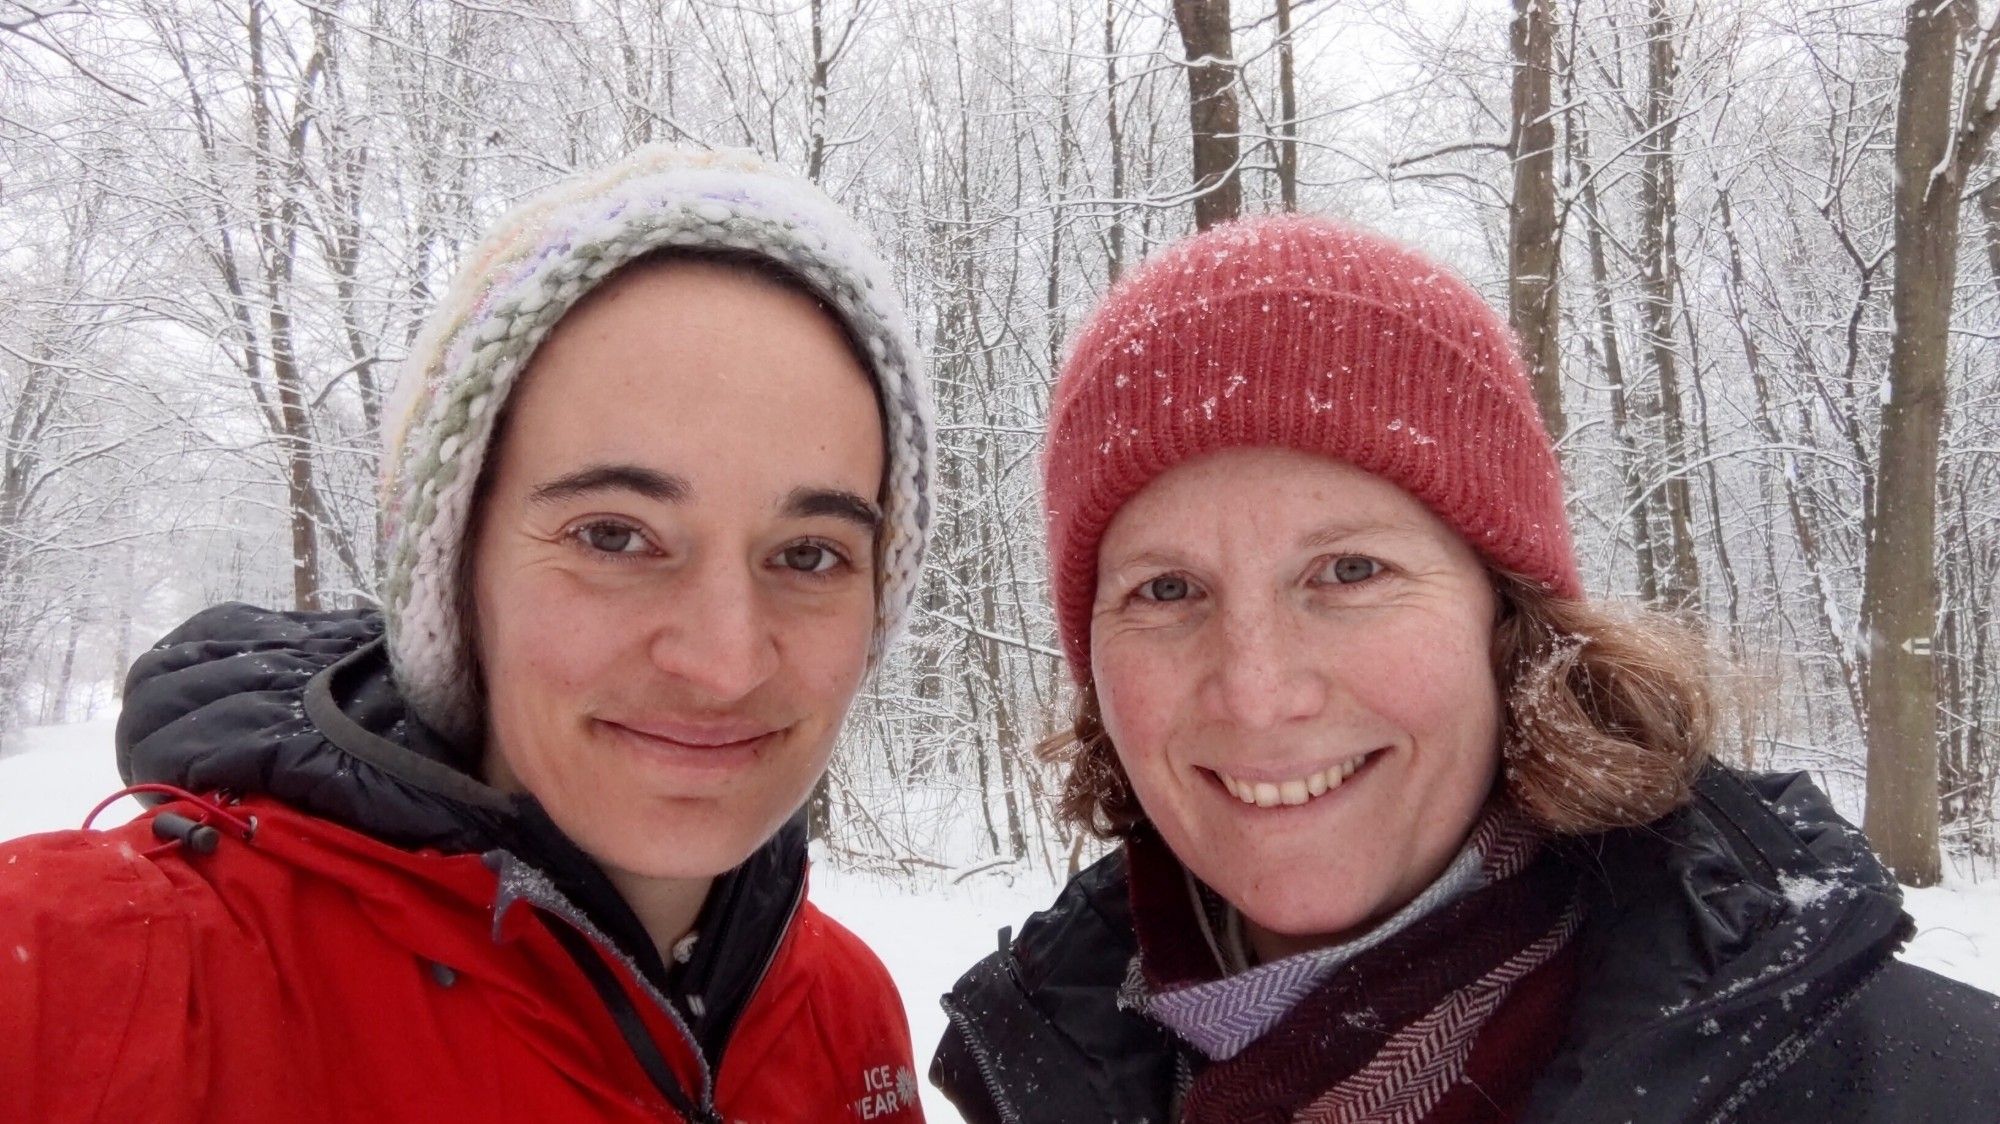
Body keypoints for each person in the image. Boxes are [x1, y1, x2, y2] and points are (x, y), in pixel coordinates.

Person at [932, 214, 2000, 1123]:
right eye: (1165, 590)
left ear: (1508, 620)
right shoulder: (1045, 1069)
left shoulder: (1915, 1081)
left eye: (1347, 570)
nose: (1257, 689)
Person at [0, 146, 933, 1124]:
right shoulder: (111, 975)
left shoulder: (846, 1014)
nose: (724, 659)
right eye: (613, 535)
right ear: (456, 568)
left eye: (810, 554)